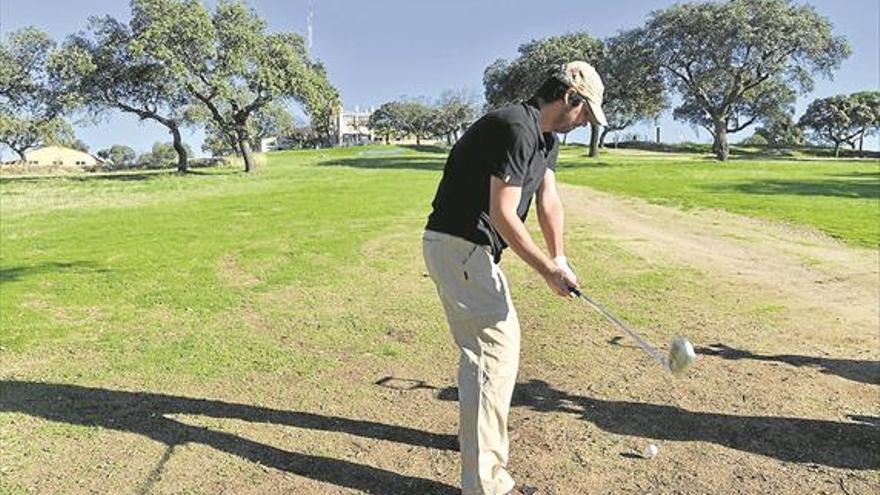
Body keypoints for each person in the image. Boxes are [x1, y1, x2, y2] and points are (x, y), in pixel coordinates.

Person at [422, 61, 607, 495]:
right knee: (494, 354)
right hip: (459, 245)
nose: (585, 124)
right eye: (584, 114)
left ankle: (477, 441)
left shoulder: (545, 139)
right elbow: (504, 214)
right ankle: (486, 485)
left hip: (465, 251)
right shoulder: (515, 127)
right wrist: (546, 272)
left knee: (488, 352)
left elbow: (549, 200)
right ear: (569, 98)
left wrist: (559, 257)